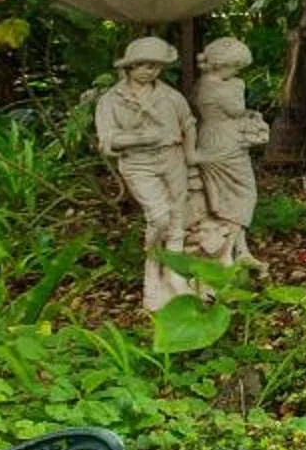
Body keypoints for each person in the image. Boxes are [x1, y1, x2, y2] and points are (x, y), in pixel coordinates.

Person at [95, 36, 199, 311]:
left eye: (154, 66)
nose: (148, 71)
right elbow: (107, 140)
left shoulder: (170, 96)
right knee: (159, 217)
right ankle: (153, 265)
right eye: (142, 65)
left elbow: (188, 123)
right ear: (128, 67)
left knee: (178, 217)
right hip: (139, 164)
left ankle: (173, 276)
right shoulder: (111, 100)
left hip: (172, 158)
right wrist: (141, 138)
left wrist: (190, 156)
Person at [189, 36, 266, 271]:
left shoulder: (200, 83)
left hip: (208, 137)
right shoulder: (223, 86)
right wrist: (239, 89)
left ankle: (240, 249)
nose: (237, 72)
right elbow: (236, 110)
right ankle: (228, 252)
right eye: (235, 67)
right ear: (221, 64)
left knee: (224, 198)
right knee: (244, 194)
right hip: (225, 141)